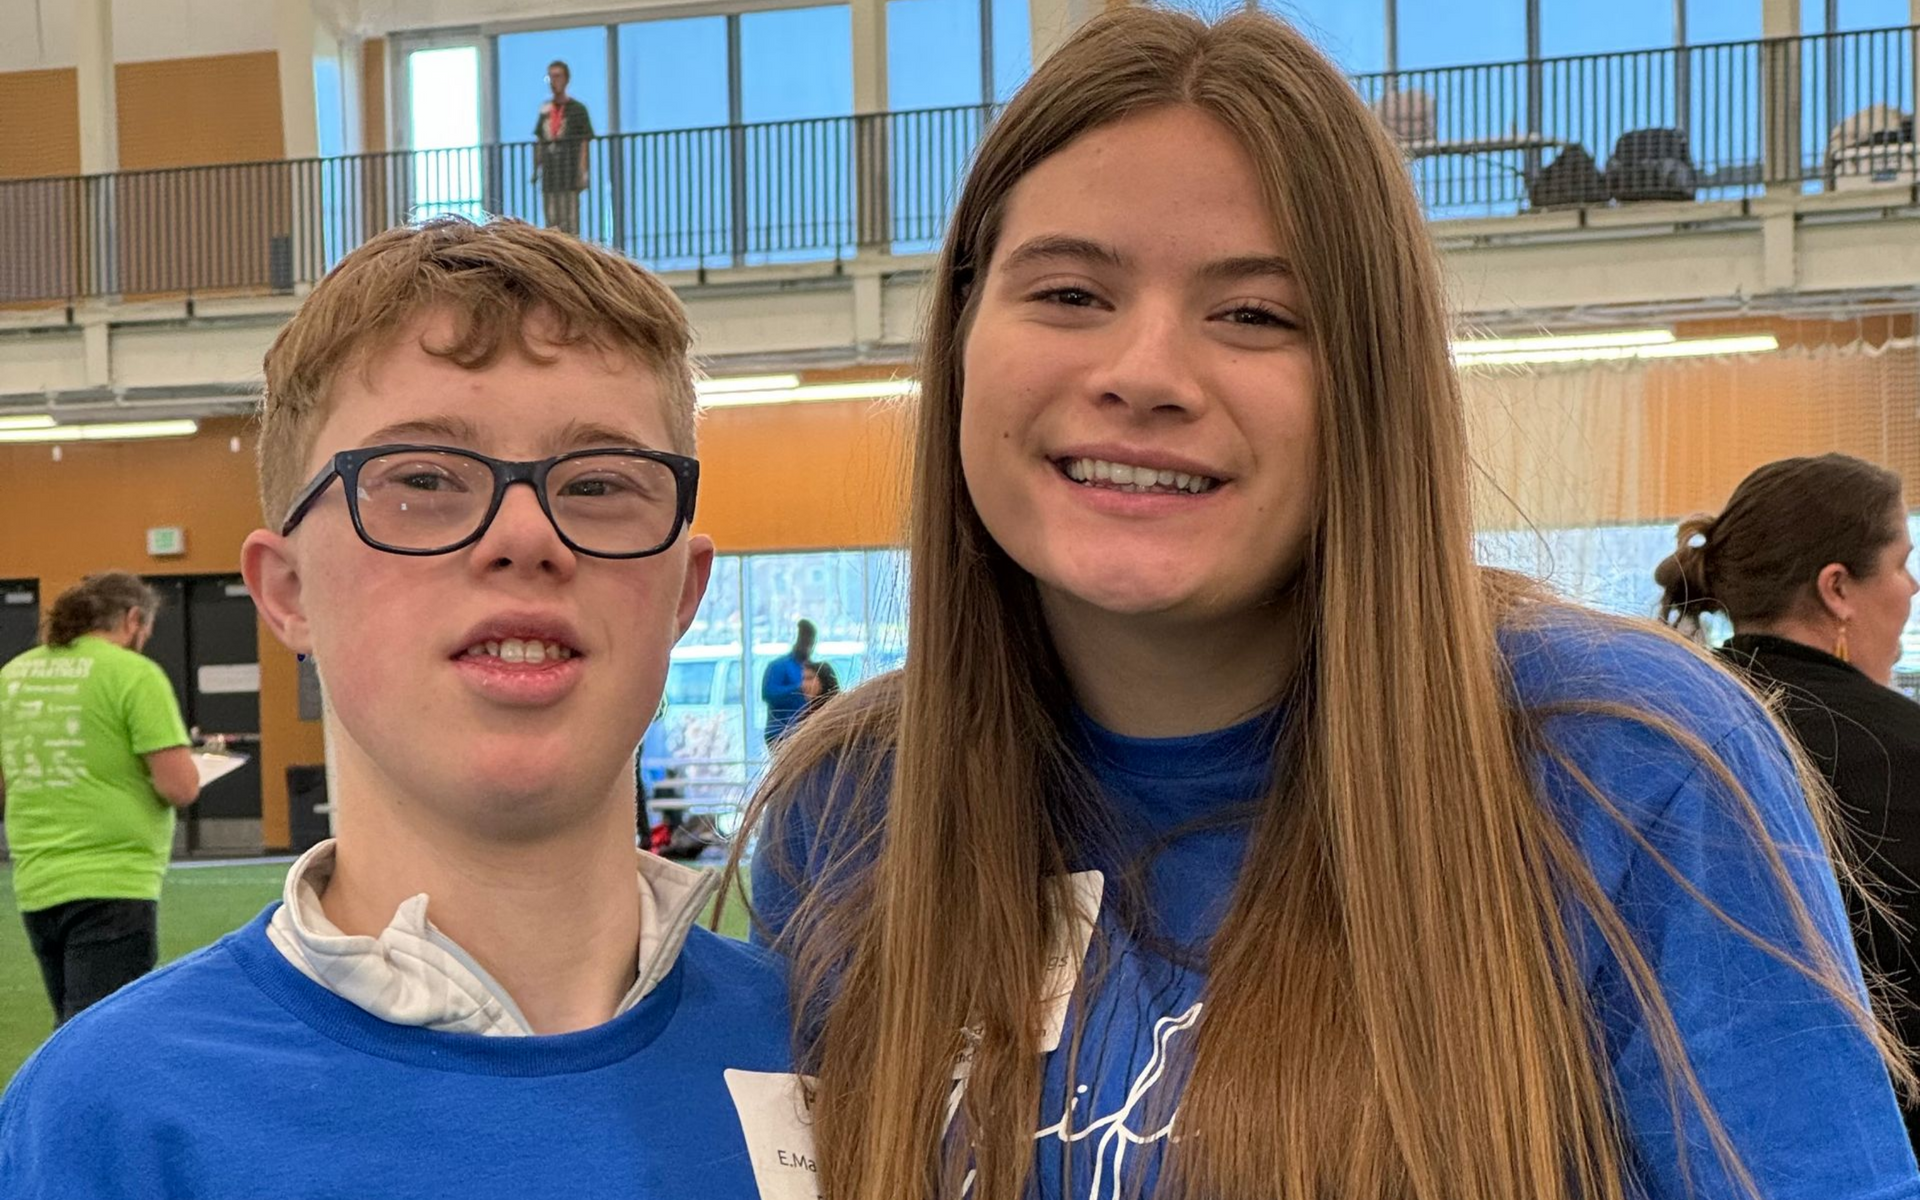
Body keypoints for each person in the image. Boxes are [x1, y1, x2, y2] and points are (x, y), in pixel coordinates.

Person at [740, 9, 1920, 1200]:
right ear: (962, 337)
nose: (1143, 374)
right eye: (1069, 293)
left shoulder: (1629, 765)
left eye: (1255, 315)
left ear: (1370, 385)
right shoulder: (847, 808)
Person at [0, 219, 799, 1199]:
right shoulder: (105, 1121)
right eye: (421, 479)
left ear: (684, 593)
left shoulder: (843, 1056)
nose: (524, 535)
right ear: (288, 591)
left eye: (598, 484)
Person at [1658, 451, 1920, 1151]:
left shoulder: (1658, 727)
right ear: (1837, 588)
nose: (1912, 586)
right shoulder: (1903, 752)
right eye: (1902, 563)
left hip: (1682, 1144)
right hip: (1880, 1149)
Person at [0, 573, 199, 1027]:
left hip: (37, 877)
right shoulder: (133, 675)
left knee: (73, 1026)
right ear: (133, 619)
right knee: (103, 1033)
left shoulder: (12, 676)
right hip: (114, 877)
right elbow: (180, 787)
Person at [533, 60, 593, 235]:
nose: (554, 81)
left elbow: (584, 141)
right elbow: (539, 139)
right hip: (550, 175)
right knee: (551, 222)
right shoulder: (545, 110)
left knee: (570, 222)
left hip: (569, 173)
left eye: (558, 76)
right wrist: (536, 168)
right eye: (550, 77)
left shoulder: (578, 110)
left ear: (566, 79)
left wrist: (583, 172)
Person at [759, 618, 814, 747]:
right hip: (781, 733)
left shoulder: (811, 669)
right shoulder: (779, 666)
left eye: (810, 642)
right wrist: (798, 688)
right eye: (804, 641)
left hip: (806, 733)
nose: (807, 646)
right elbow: (768, 693)